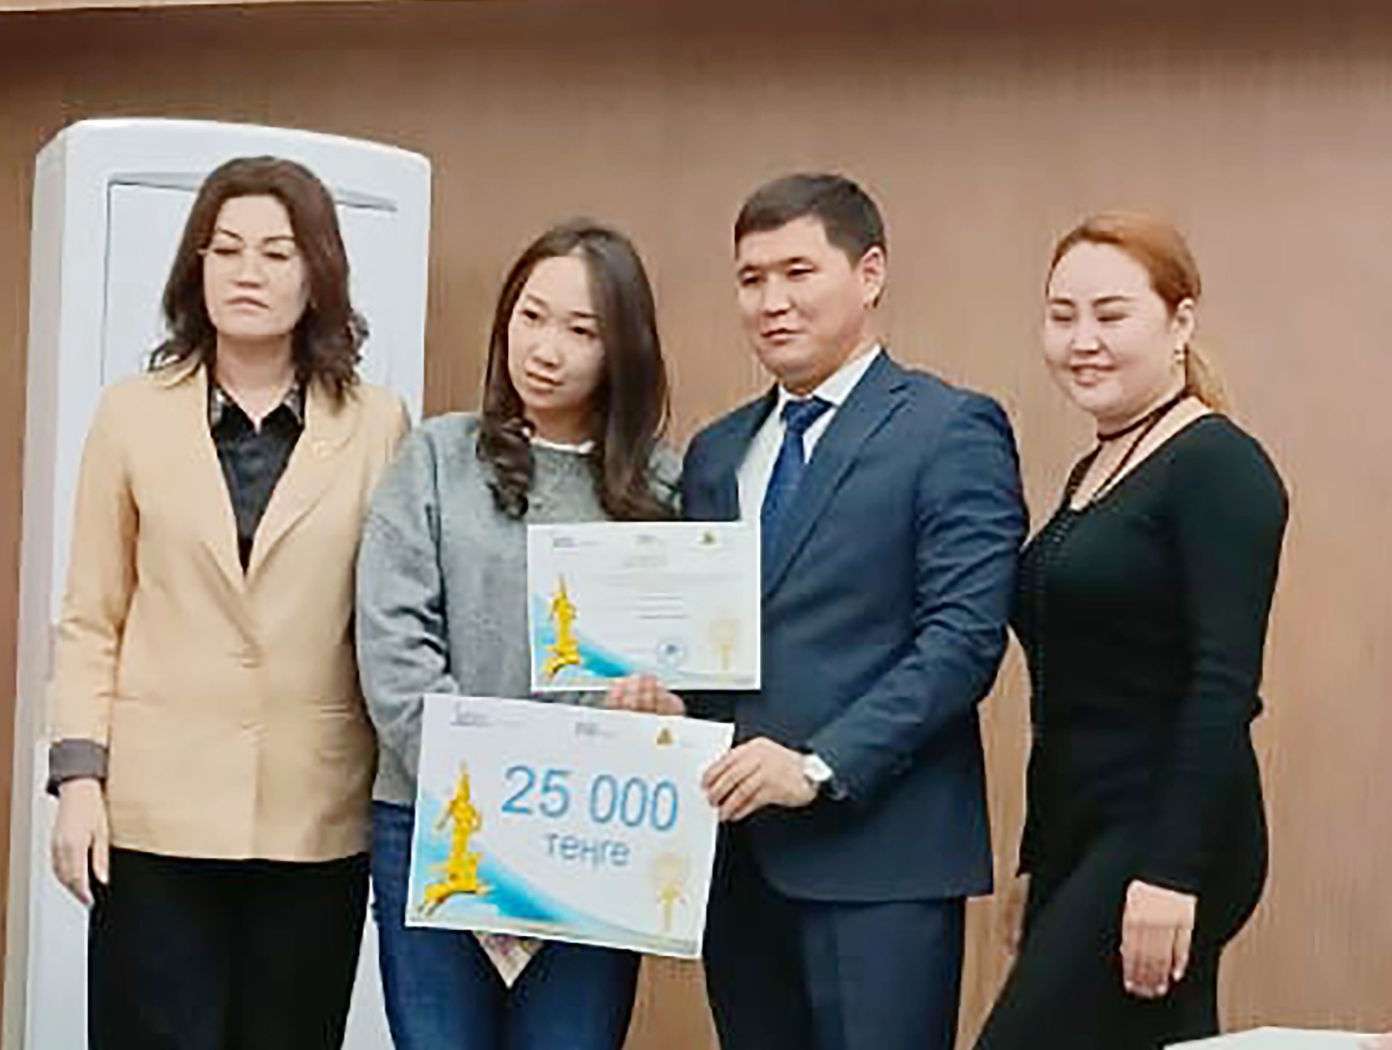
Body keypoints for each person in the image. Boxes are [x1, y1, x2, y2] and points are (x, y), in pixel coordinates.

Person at [45, 155, 409, 1050]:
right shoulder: (130, 415)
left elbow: (391, 617)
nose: (249, 272)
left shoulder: (379, 425)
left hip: (313, 813)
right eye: (228, 249)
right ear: (196, 267)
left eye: (278, 253)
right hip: (154, 811)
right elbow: (92, 615)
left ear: (318, 274)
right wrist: (79, 782)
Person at [676, 173, 1027, 1050]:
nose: (772, 301)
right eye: (751, 279)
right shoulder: (716, 453)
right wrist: (659, 697)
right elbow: (703, 640)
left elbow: (962, 641)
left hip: (881, 861)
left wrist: (819, 765)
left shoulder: (949, 428)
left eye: (798, 272)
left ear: (869, 274)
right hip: (736, 862)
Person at [356, 219, 678, 1050]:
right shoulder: (437, 455)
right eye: (531, 317)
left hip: (588, 834)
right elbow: (393, 645)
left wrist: (659, 710)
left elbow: (682, 667)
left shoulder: (664, 486)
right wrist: (489, 800)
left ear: (624, 349)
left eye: (581, 331)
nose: (546, 349)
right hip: (435, 819)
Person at [976, 213, 1288, 1050]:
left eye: (1111, 315)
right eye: (1062, 315)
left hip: (1167, 832)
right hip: (1086, 829)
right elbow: (1068, 689)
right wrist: (1041, 859)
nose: (1083, 341)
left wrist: (1169, 872)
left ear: (1180, 322)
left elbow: (1224, 684)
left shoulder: (1219, 466)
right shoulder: (1101, 463)